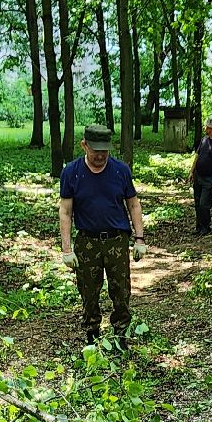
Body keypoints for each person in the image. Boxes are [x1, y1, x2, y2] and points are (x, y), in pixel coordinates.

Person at [58, 124, 145, 345]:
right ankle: (92, 334)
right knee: (88, 290)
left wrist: (139, 238)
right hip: (87, 241)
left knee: (121, 289)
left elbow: (133, 204)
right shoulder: (72, 172)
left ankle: (120, 335)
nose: (100, 156)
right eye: (95, 150)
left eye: (104, 151)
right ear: (84, 146)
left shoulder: (120, 170)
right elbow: (66, 211)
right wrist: (66, 249)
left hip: (116, 239)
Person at [191, 115, 212, 236]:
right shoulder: (204, 140)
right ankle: (199, 227)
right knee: (197, 203)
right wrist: (192, 171)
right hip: (198, 176)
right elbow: (197, 156)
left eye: (207, 127)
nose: (205, 128)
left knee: (204, 204)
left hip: (209, 178)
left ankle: (206, 226)